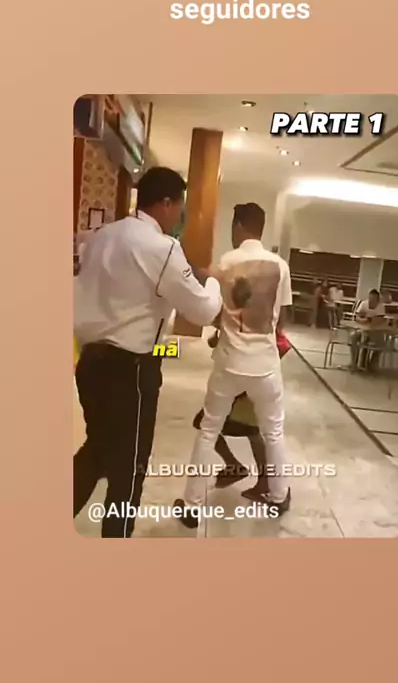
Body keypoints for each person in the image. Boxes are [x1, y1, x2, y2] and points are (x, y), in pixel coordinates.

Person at [73, 166, 223, 538]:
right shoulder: (162, 247)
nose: (180, 216)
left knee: (98, 450)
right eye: (180, 207)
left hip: (89, 363)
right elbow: (203, 310)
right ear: (167, 203)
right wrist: (213, 281)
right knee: (129, 468)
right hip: (131, 371)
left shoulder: (101, 235)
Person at [175, 202, 293, 529]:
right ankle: (278, 496)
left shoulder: (227, 261)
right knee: (274, 432)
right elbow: (281, 319)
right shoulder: (281, 266)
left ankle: (192, 506)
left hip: (229, 361)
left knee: (208, 430)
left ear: (239, 226)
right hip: (265, 364)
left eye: (233, 225)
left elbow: (214, 305)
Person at [192, 327, 292, 501]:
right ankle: (249, 474)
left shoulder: (246, 317)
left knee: (249, 430)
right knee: (253, 430)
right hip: (257, 374)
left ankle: (256, 478)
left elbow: (282, 343)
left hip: (244, 375)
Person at [349, 288, 385, 371]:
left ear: (377, 300)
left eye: (373, 299)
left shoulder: (381, 307)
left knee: (381, 344)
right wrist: (366, 319)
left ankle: (371, 364)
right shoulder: (364, 304)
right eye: (370, 298)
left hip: (375, 332)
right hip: (361, 329)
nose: (371, 301)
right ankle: (354, 362)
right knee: (353, 337)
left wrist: (367, 319)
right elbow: (357, 317)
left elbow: (378, 320)